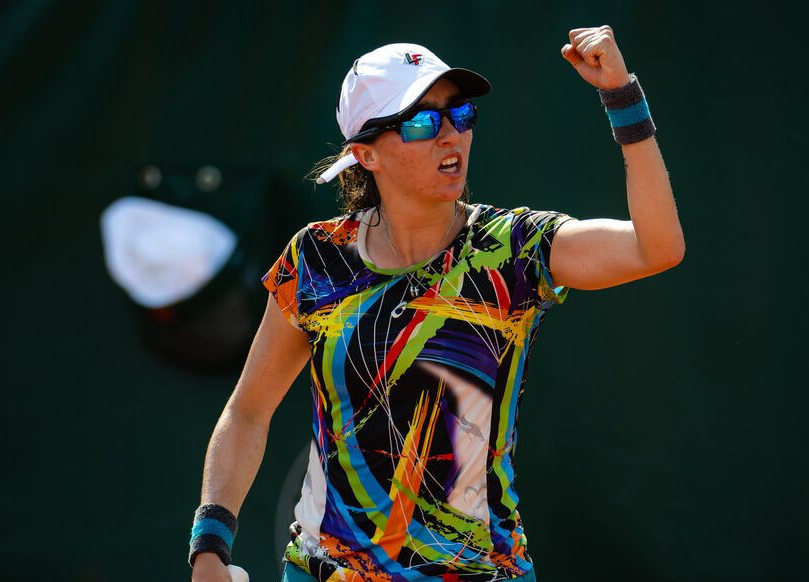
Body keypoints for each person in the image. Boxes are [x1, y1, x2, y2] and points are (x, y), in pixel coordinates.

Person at [189, 25, 684, 582]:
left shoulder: (510, 249)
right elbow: (248, 411)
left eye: (461, 115)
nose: (452, 135)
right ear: (364, 154)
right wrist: (210, 548)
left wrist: (622, 95)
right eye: (424, 122)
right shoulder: (316, 258)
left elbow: (657, 247)